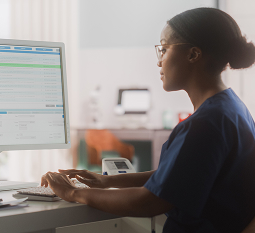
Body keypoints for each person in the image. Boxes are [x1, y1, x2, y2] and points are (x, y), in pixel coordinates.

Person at [41, 7, 255, 233]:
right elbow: (182, 177)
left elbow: (150, 201)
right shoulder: (232, 108)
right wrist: (107, 181)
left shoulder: (204, 124)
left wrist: (73, 193)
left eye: (164, 49)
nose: (159, 61)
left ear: (193, 54)